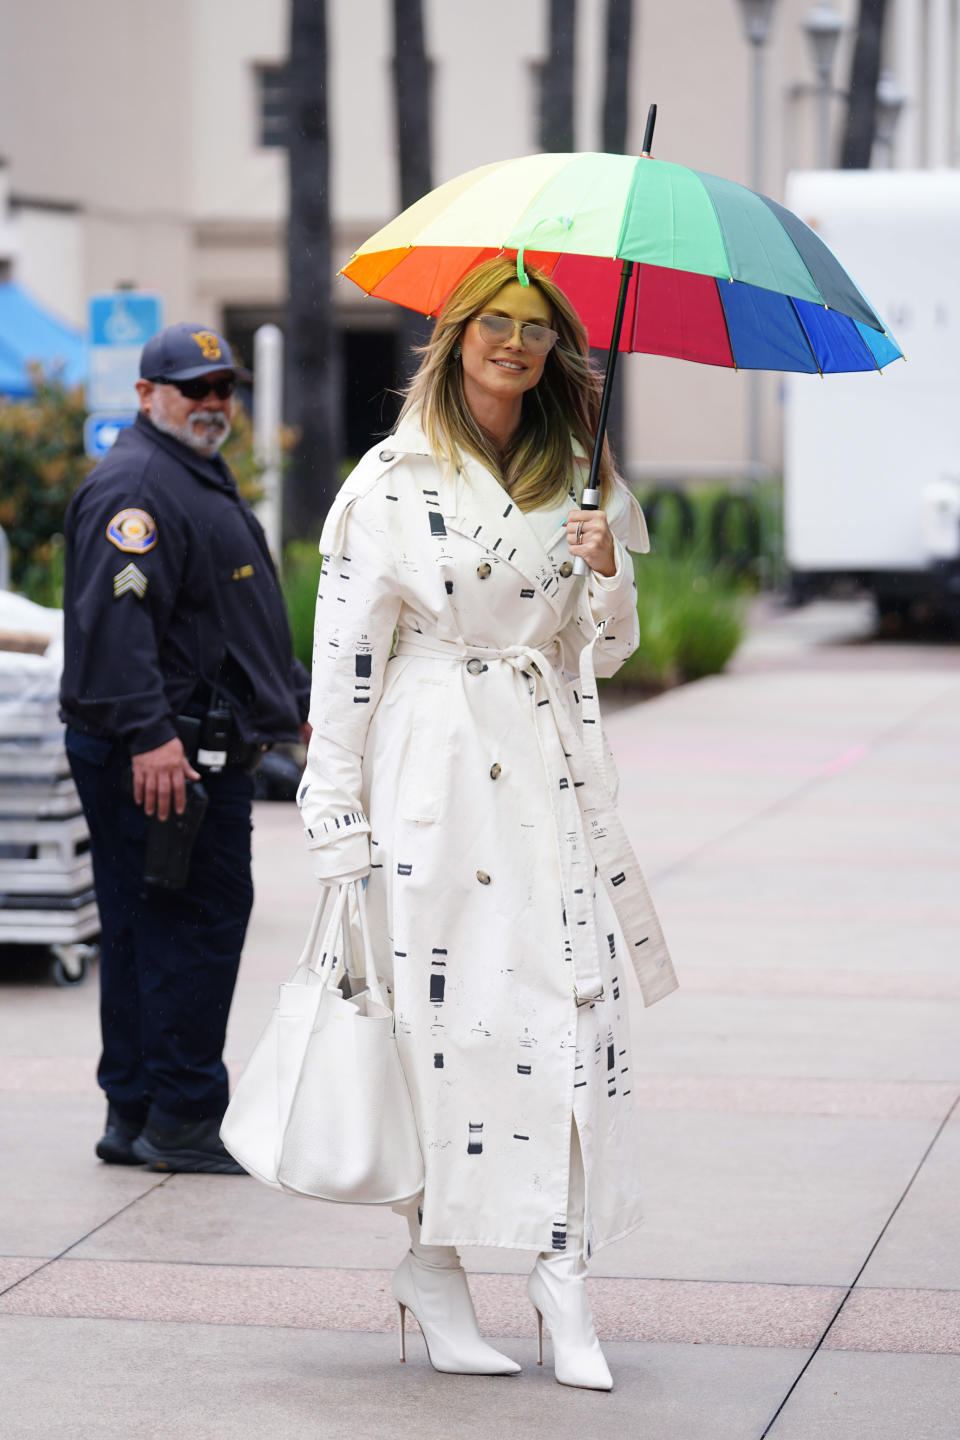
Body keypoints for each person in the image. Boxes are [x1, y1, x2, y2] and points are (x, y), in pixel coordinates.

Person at [298, 257, 677, 1389]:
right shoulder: (390, 477)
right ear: (457, 336)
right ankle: (435, 1265)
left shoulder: (585, 480)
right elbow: (345, 654)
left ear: (558, 349)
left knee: (569, 1012)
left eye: (534, 327)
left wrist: (610, 576)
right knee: (440, 1029)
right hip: (431, 771)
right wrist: (335, 812)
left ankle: (566, 1281)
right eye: (492, 323)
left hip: (544, 769)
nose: (512, 342)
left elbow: (605, 653)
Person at [61, 322, 310, 1174]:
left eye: (223, 388)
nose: (212, 403)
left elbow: (219, 626)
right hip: (165, 755)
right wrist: (151, 737)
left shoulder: (188, 475)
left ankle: (136, 1112)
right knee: (192, 926)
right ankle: (185, 1116)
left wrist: (294, 702)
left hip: (177, 746)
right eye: (193, 387)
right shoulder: (137, 487)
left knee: (142, 929)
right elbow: (117, 627)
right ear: (145, 395)